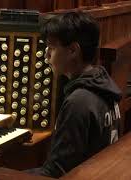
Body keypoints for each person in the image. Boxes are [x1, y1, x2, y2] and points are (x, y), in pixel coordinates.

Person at [26, 11, 122, 178]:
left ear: (72, 51)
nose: (47, 54)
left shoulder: (78, 103)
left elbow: (57, 172)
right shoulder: (104, 85)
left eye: (52, 47)